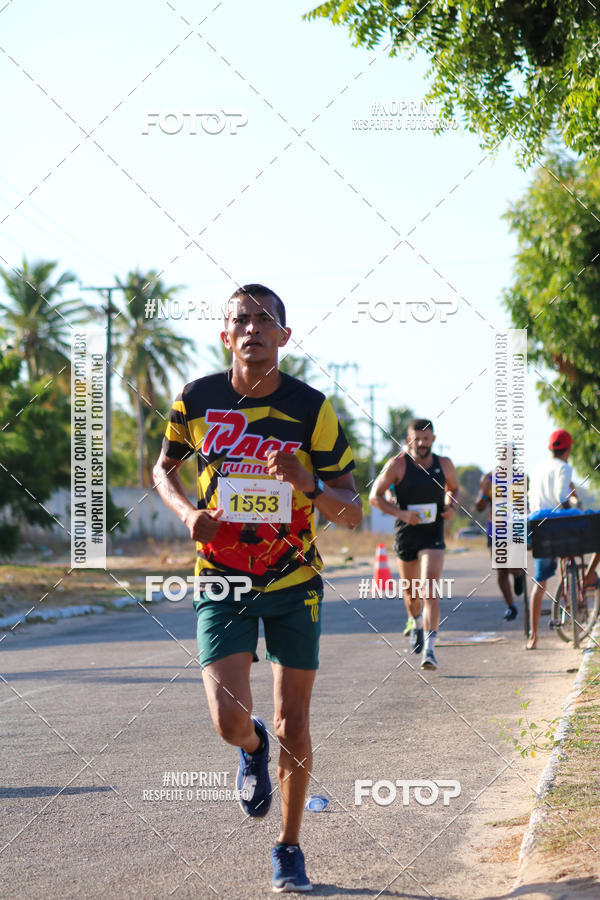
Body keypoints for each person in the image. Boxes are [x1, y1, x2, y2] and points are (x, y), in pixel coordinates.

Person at [153, 284, 362, 892]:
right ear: (226, 335)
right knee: (227, 718)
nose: (252, 329)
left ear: (284, 337)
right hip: (220, 574)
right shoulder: (196, 399)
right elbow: (164, 467)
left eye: (265, 320)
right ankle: (251, 750)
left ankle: (289, 848)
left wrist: (311, 484)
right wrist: (187, 514)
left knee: (294, 721)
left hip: (294, 576)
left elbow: (352, 511)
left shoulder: (311, 407)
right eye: (241, 320)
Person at [369, 419, 459, 670]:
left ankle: (429, 649)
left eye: (426, 438)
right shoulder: (397, 465)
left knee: (429, 587)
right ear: (408, 439)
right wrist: (402, 514)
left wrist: (451, 507)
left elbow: (453, 489)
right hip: (407, 534)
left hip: (433, 534)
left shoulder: (444, 464)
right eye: (416, 438)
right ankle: (415, 621)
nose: (421, 443)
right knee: (411, 594)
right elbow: (374, 497)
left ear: (433, 439)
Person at [527, 429, 579, 650]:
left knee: (539, 582)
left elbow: (532, 498)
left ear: (551, 448)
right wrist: (573, 507)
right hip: (558, 523)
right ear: (567, 450)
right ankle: (570, 590)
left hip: (538, 525)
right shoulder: (564, 467)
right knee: (574, 545)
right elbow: (561, 496)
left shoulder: (538, 468)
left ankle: (533, 636)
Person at [475, 468, 525, 622]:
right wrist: (484, 493)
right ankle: (511, 607)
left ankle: (518, 575)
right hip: (494, 530)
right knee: (501, 570)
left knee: (512, 566)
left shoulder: (520, 477)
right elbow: (479, 507)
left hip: (514, 529)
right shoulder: (488, 479)